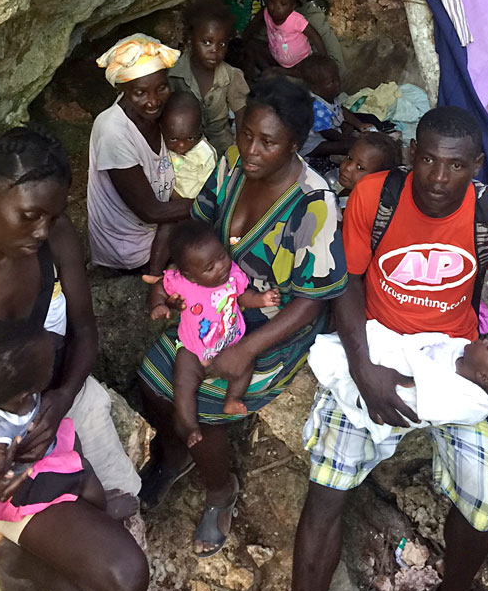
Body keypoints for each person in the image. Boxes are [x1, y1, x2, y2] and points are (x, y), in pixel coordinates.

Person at [292, 106, 488, 591]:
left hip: (454, 357)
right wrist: (364, 369)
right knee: (325, 490)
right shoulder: (376, 195)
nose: (438, 177)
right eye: (428, 159)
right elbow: (346, 279)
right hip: (377, 347)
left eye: (455, 165)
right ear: (412, 153)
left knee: (483, 504)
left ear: (476, 165)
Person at [0, 127, 148, 591]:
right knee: (126, 577)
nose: (44, 231)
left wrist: (60, 399)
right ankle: (21, 558)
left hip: (66, 404)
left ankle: (21, 560)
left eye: (53, 215)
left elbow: (85, 330)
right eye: (30, 215)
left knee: (127, 555)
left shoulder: (54, 237)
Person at [137, 74, 348, 554]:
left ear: (295, 144)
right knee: (152, 381)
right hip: (214, 308)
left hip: (270, 328)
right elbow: (199, 221)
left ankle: (219, 490)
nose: (251, 149)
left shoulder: (314, 206)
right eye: (245, 134)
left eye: (268, 142)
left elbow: (312, 299)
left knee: (206, 407)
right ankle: (175, 453)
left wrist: (247, 348)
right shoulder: (232, 164)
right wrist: (179, 277)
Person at [0, 321, 132, 555]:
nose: (53, 345)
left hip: (24, 451)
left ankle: (68, 479)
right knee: (82, 472)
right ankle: (102, 509)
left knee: (67, 432)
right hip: (14, 488)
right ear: (27, 392)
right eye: (50, 363)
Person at [142, 222, 280, 447]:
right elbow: (159, 286)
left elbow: (242, 297)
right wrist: (159, 304)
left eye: (222, 256)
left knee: (247, 364)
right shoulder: (182, 283)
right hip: (193, 349)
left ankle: (232, 398)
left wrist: (261, 300)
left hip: (231, 342)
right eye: (209, 268)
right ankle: (189, 426)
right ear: (190, 276)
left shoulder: (232, 273)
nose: (221, 267)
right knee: (183, 386)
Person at [308, 327, 488, 442]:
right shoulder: (460, 354)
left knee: (334, 360)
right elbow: (430, 342)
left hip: (386, 391)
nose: (485, 340)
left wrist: (397, 356)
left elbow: (412, 398)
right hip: (387, 353)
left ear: (483, 377)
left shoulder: (450, 396)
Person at [88, 33, 192, 274]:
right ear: (122, 90)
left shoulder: (161, 114)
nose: (153, 101)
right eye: (140, 93)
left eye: (161, 88)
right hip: (131, 250)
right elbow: (150, 211)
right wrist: (213, 203)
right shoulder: (112, 131)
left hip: (159, 225)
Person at [168, 0, 249, 155]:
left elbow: (241, 113)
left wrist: (240, 148)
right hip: (184, 147)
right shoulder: (173, 73)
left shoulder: (231, 76)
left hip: (221, 145)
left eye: (222, 44)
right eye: (206, 42)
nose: (214, 50)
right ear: (190, 40)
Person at [241, 0, 328, 78]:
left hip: (299, 61)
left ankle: (280, 72)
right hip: (275, 54)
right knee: (251, 45)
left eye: (283, 4)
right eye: (272, 1)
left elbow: (315, 36)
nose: (276, 8)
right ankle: (274, 71)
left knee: (307, 72)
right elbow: (253, 25)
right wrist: (242, 39)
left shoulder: (296, 20)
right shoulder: (265, 12)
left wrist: (324, 59)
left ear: (292, 6)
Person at [297, 56, 376, 162]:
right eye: (331, 82)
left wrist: (360, 125)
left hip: (330, 129)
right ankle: (334, 156)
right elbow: (330, 134)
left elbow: (341, 109)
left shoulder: (328, 94)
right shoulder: (316, 108)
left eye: (337, 79)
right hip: (313, 144)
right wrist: (351, 139)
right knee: (350, 145)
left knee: (362, 121)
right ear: (315, 88)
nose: (338, 84)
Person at [161, 92, 218, 200]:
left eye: (190, 138)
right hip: (168, 196)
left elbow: (208, 189)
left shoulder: (205, 154)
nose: (182, 145)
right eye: (173, 139)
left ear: (199, 130)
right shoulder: (162, 143)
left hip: (192, 204)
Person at [337, 132, 402, 208]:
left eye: (360, 168)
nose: (348, 167)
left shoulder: (362, 207)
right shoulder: (350, 190)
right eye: (349, 158)